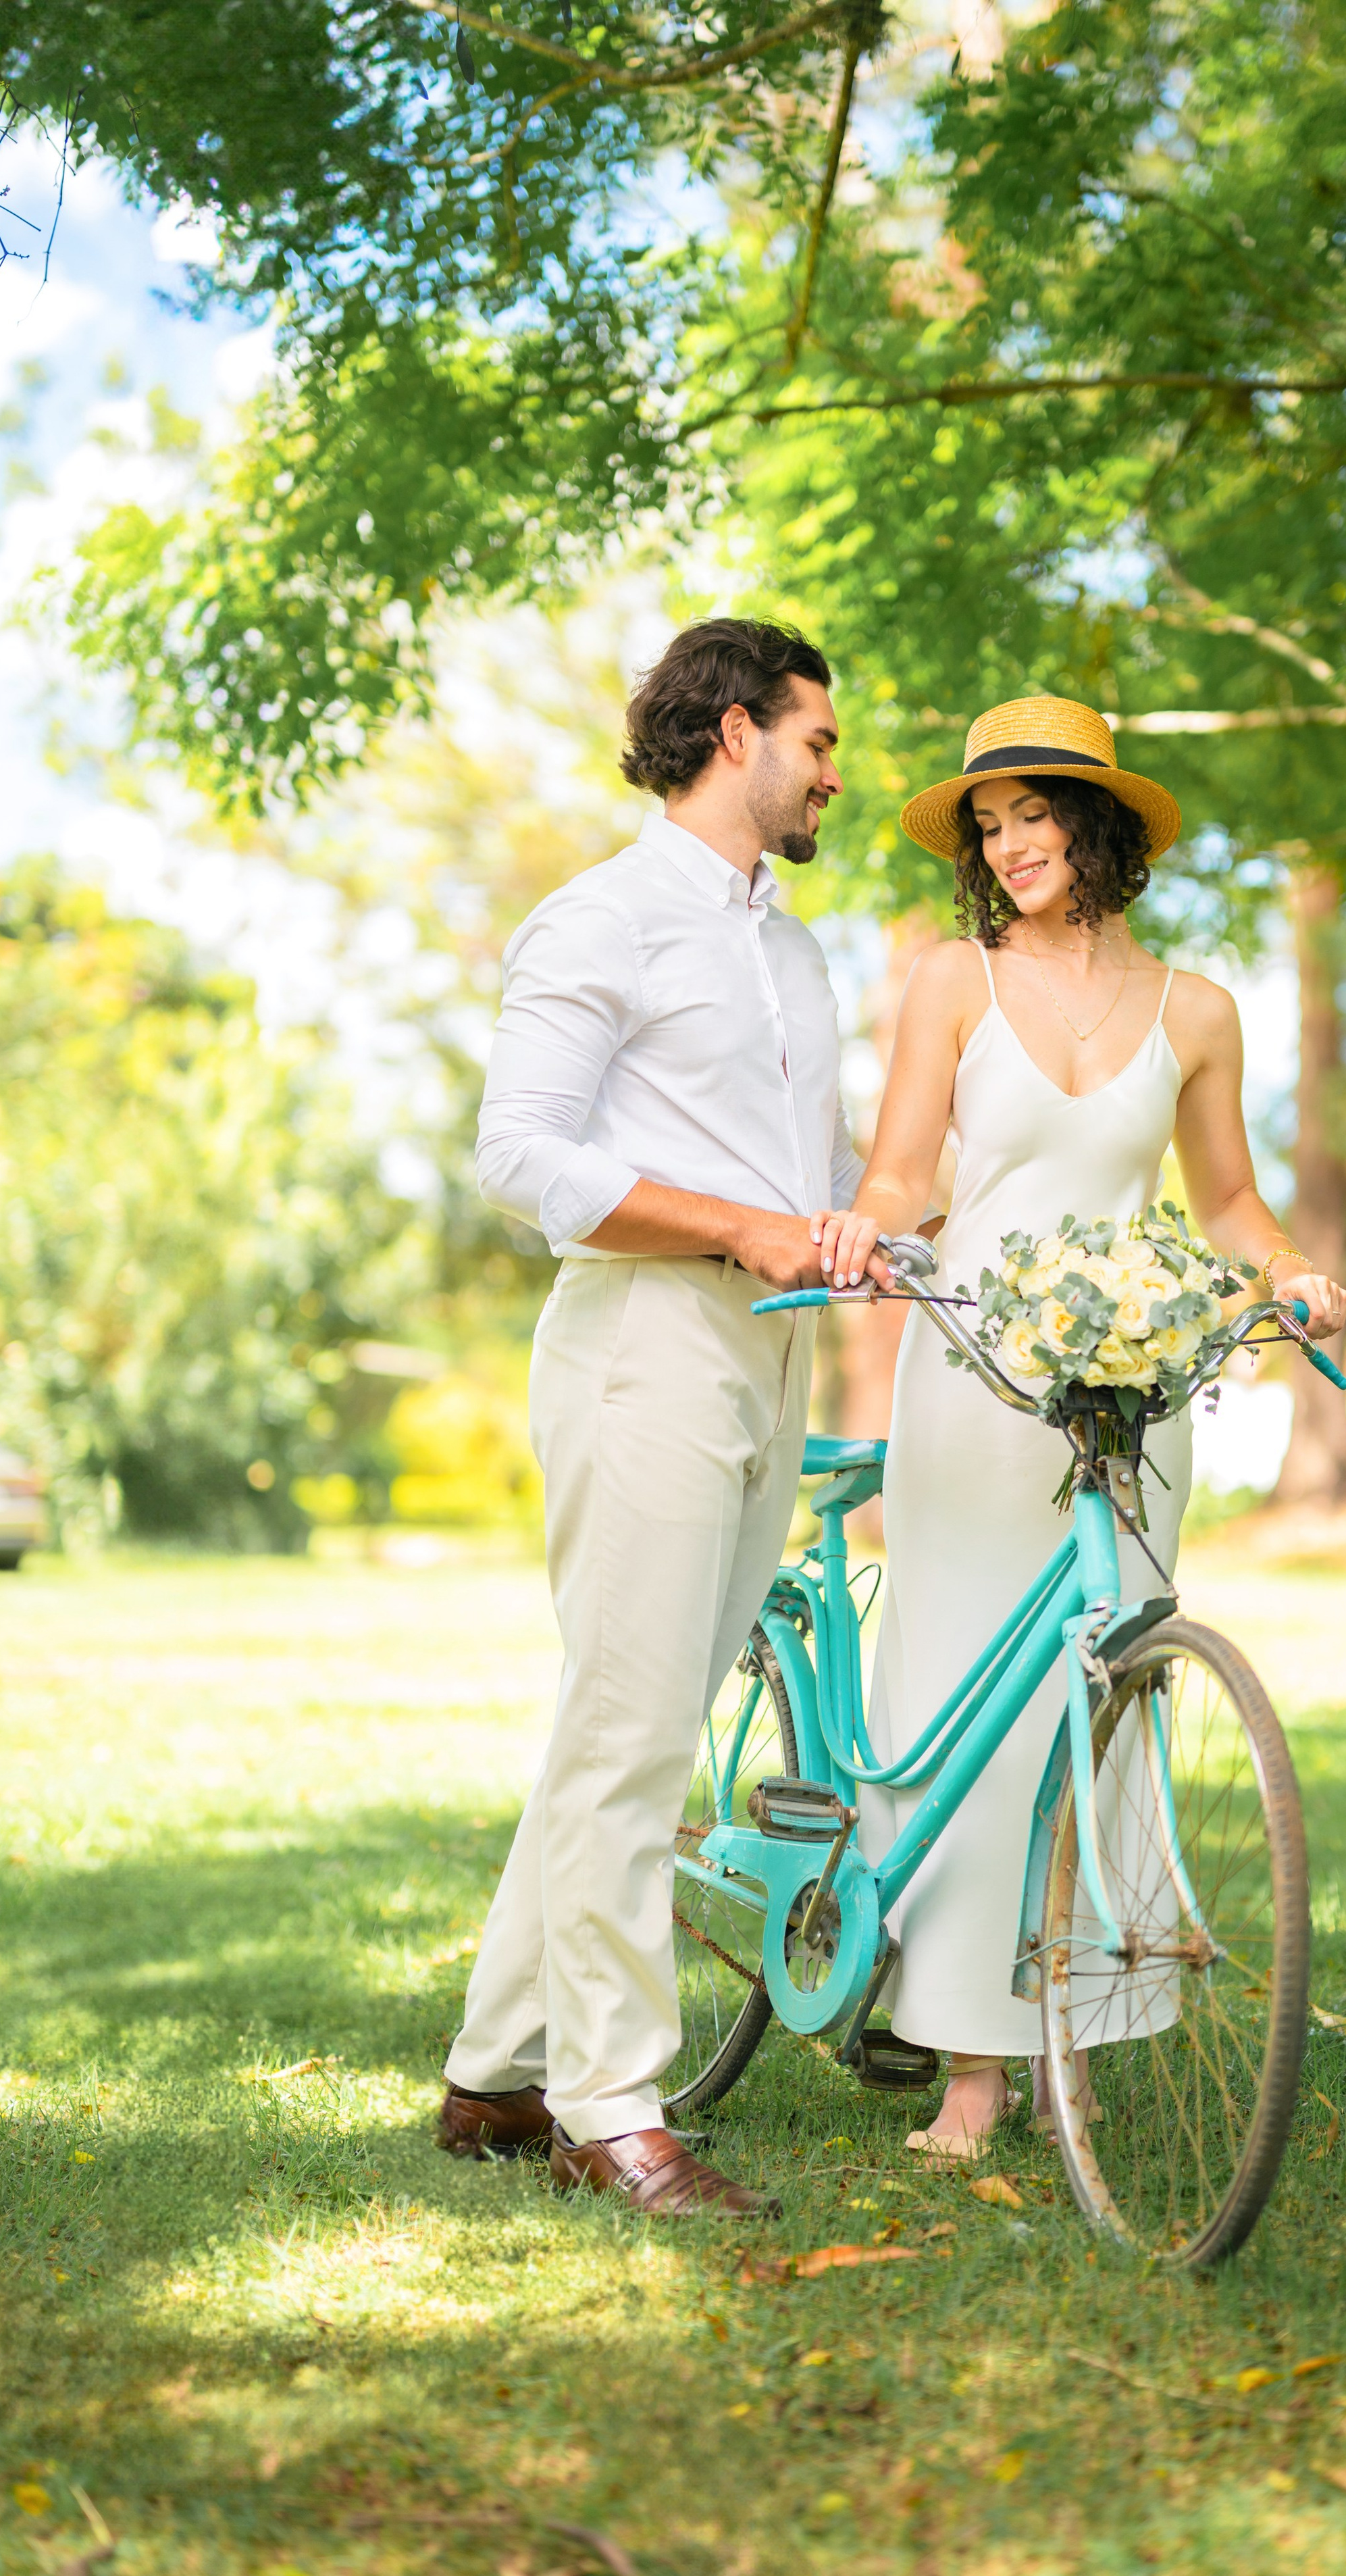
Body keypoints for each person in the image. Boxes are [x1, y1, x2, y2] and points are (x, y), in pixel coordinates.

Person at [812, 696, 1346, 2157]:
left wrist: (1287, 1273)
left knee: (1100, 1714)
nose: (1006, 847)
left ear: (1094, 822)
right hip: (978, 1378)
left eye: (1030, 815)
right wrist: (859, 1237)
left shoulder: (1195, 1010)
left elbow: (1226, 1202)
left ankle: (1078, 2038)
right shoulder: (948, 983)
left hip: (1129, 1393)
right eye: (986, 827)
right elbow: (900, 1174)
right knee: (969, 1713)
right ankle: (974, 2065)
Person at [437, 617, 871, 2218]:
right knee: (630, 1740)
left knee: (627, 1728)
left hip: (771, 1353)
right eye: (818, 741)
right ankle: (607, 2108)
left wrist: (869, 1231)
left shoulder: (795, 950)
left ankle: (492, 2073)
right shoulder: (600, 917)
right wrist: (735, 1227)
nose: (834, 772)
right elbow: (526, 1156)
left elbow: (809, 1181)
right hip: (641, 1346)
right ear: (735, 730)